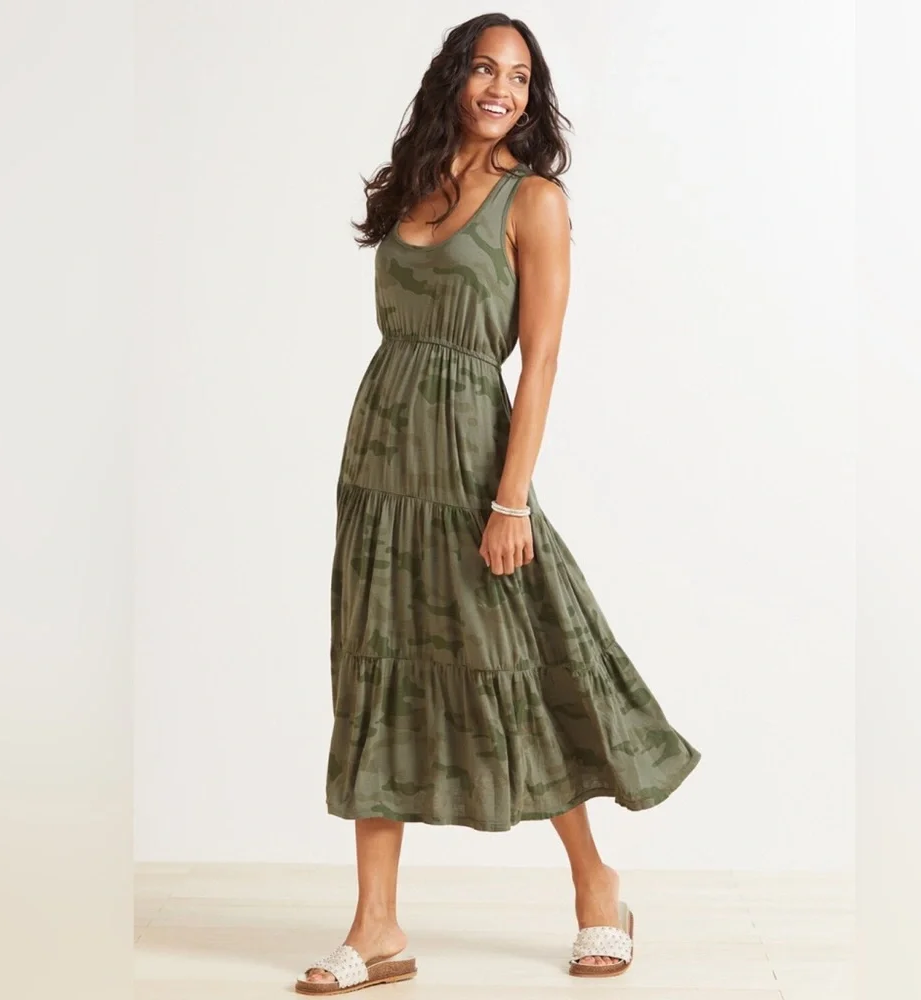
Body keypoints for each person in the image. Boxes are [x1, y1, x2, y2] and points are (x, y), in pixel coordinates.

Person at [295, 13, 701, 995]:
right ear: (454, 79)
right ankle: (377, 925)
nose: (500, 90)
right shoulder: (412, 183)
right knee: (376, 670)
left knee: (519, 663)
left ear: (532, 97)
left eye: (519, 77)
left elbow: (542, 358)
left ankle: (597, 883)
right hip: (381, 461)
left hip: (472, 463)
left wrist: (510, 499)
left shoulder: (536, 201)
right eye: (485, 69)